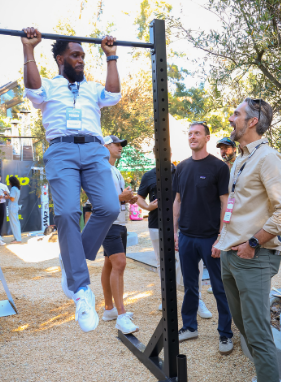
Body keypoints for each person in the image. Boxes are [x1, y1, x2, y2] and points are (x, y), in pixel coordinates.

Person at [22, 27, 121, 333]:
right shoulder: (49, 86)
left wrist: (111, 56)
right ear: (60, 58)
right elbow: (32, 90)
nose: (81, 60)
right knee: (67, 213)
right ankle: (80, 290)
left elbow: (114, 95)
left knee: (109, 207)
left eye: (82, 56)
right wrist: (29, 49)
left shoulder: (92, 88)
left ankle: (71, 256)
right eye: (75, 55)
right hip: (61, 149)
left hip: (93, 149)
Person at [214, 99, 281, 382]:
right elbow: (237, 208)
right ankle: (267, 374)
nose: (231, 118)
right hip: (231, 255)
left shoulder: (268, 157)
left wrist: (252, 243)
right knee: (243, 326)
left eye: (236, 114)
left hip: (254, 256)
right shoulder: (240, 158)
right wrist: (222, 239)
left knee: (257, 332)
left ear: (252, 121)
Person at [173, 121, 233, 355]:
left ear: (207, 138)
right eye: (190, 134)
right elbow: (177, 201)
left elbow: (226, 203)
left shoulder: (219, 167)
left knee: (219, 288)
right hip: (187, 236)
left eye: (197, 133)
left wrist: (221, 236)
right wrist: (176, 233)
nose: (192, 137)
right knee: (189, 286)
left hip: (210, 238)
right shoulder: (182, 167)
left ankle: (225, 334)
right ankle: (190, 327)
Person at [137, 150, 212, 318]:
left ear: (170, 153)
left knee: (194, 262)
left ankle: (197, 298)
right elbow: (140, 197)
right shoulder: (148, 175)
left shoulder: (182, 171)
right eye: (158, 151)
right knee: (161, 262)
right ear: (154, 153)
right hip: (157, 225)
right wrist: (148, 207)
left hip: (183, 225)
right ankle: (167, 297)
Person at [101, 135, 139, 334]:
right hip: (107, 223)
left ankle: (109, 310)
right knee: (120, 263)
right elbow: (97, 199)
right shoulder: (99, 168)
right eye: (116, 144)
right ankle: (121, 316)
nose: (120, 147)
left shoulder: (115, 170)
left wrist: (127, 199)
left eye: (121, 144)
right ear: (105, 146)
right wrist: (120, 197)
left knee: (109, 262)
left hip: (119, 222)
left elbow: (115, 199)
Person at [5, 176, 22, 244]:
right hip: (14, 206)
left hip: (13, 206)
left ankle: (18, 239)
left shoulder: (13, 188)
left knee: (14, 223)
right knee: (15, 223)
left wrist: (6, 195)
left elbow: (12, 198)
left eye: (9, 181)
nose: (9, 182)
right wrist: (7, 194)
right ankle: (17, 238)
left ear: (12, 182)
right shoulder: (16, 188)